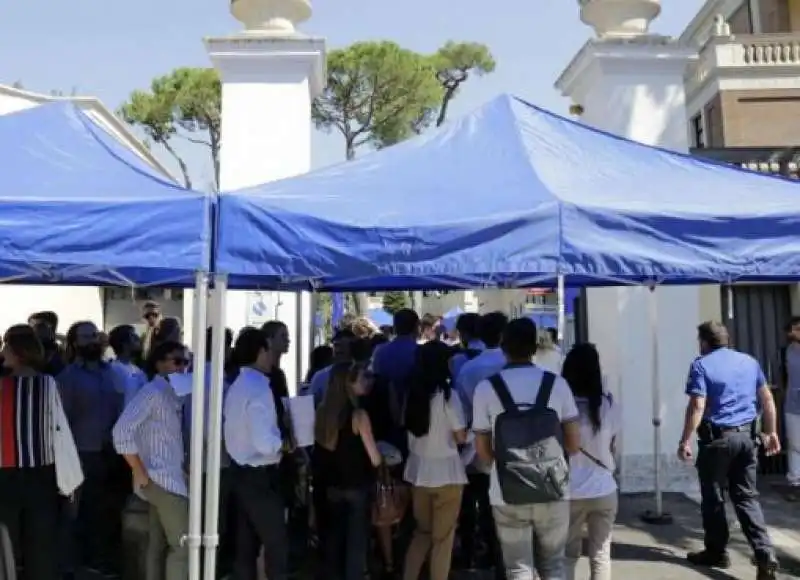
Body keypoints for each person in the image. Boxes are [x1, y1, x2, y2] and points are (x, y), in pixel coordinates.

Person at [472, 317, 580, 580]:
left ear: (503, 346)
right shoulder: (557, 385)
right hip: (553, 485)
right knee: (554, 565)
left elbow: (483, 450)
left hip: (506, 489)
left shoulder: (486, 389)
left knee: (518, 568)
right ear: (535, 347)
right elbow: (574, 444)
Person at [680, 321, 780, 579]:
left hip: (717, 442)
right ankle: (764, 554)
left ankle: (716, 551)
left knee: (713, 497)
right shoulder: (749, 362)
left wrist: (685, 440)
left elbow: (697, 405)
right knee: (747, 498)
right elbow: (767, 399)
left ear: (704, 342)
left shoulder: (700, 364)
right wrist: (772, 433)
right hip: (747, 439)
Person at [0, 325, 74, 580]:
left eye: (6, 345)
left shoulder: (3, 385)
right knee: (41, 543)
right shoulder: (48, 383)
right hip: (42, 471)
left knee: (6, 543)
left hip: (5, 472)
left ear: (16, 350)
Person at [112, 340, 190, 580]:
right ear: (159, 364)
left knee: (158, 546)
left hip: (166, 477)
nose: (183, 367)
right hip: (161, 479)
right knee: (183, 546)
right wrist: (138, 470)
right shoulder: (151, 392)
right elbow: (121, 431)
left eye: (186, 362)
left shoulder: (172, 393)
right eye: (177, 361)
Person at [58, 320, 125, 577]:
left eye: (94, 335)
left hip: (111, 453)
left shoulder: (111, 372)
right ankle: (76, 566)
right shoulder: (68, 377)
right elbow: (63, 420)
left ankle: (102, 562)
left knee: (106, 513)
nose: (92, 340)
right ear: (74, 343)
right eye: (85, 337)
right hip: (81, 454)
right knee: (79, 514)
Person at [224, 327, 289, 580]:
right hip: (259, 474)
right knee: (276, 543)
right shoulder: (258, 387)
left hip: (239, 471)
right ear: (261, 351)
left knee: (245, 546)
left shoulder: (238, 384)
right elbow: (265, 442)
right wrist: (284, 445)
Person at [403, 341, 467, 580]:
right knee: (443, 539)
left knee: (422, 533)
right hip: (448, 472)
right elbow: (460, 436)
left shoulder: (412, 394)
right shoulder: (449, 396)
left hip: (419, 471)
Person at [313, 362, 381, 580]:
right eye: (362, 377)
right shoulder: (359, 415)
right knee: (356, 544)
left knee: (334, 540)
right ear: (349, 383)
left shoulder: (322, 412)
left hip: (331, 485)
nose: (366, 381)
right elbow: (374, 457)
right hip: (357, 484)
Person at [561, 343, 620, 580]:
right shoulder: (609, 405)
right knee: (601, 554)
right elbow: (614, 446)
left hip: (569, 490)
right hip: (604, 488)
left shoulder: (561, 406)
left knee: (567, 555)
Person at [779, 316, 800, 494]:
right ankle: (795, 482)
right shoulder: (786, 351)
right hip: (793, 404)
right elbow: (784, 375)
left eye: (798, 329)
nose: (794, 332)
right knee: (794, 444)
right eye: (792, 329)